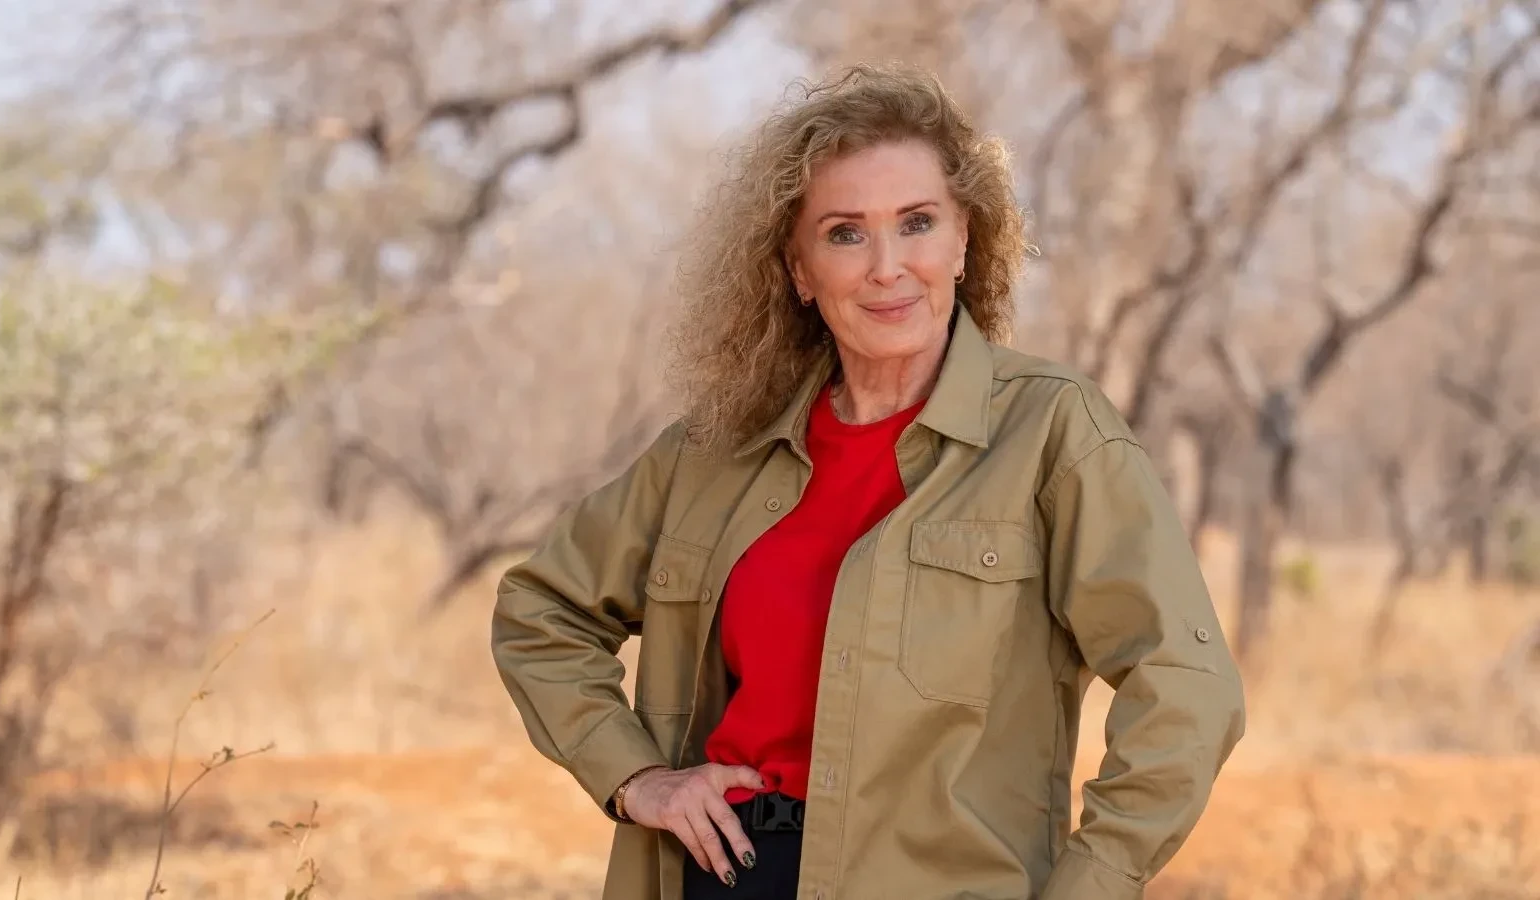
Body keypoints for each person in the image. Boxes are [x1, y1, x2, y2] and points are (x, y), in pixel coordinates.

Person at [491, 62, 1246, 900]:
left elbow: (1187, 683)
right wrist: (637, 779)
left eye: (917, 223)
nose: (888, 266)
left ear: (965, 240)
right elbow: (541, 613)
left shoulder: (1053, 434)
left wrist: (1092, 881)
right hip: (724, 875)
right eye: (846, 233)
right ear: (800, 270)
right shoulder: (711, 453)